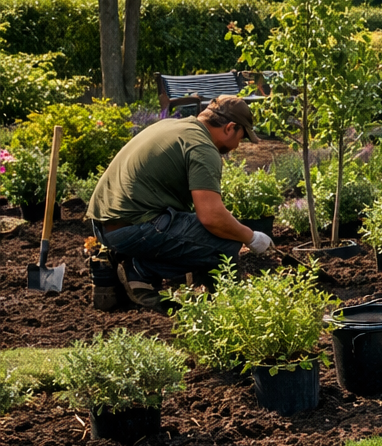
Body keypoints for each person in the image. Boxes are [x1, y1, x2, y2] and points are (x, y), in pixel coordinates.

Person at [88, 95, 273, 307]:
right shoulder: (202, 148)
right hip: (133, 229)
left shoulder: (172, 126)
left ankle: (142, 268)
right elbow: (211, 217)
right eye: (242, 137)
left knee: (214, 232)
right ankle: (141, 270)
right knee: (227, 243)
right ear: (230, 127)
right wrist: (251, 237)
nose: (238, 145)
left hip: (105, 225)